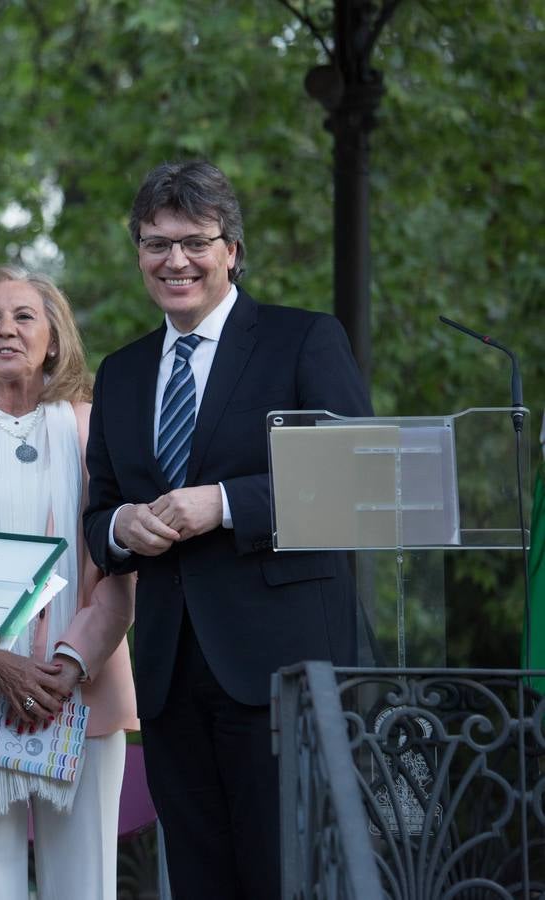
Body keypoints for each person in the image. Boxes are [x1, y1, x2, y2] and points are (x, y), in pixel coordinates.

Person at [83, 160, 373, 898]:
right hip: (171, 673)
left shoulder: (303, 341)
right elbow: (100, 511)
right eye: (155, 244)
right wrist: (122, 526)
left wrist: (228, 502)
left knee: (285, 874)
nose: (174, 260)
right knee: (200, 879)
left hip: (282, 669)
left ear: (231, 249)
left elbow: (357, 478)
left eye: (194, 241)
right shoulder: (120, 372)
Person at [0, 266, 137, 899]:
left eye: (25, 317)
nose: (6, 330)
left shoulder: (95, 428)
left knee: (86, 880)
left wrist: (69, 662)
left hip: (82, 681)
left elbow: (121, 562)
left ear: (54, 338)